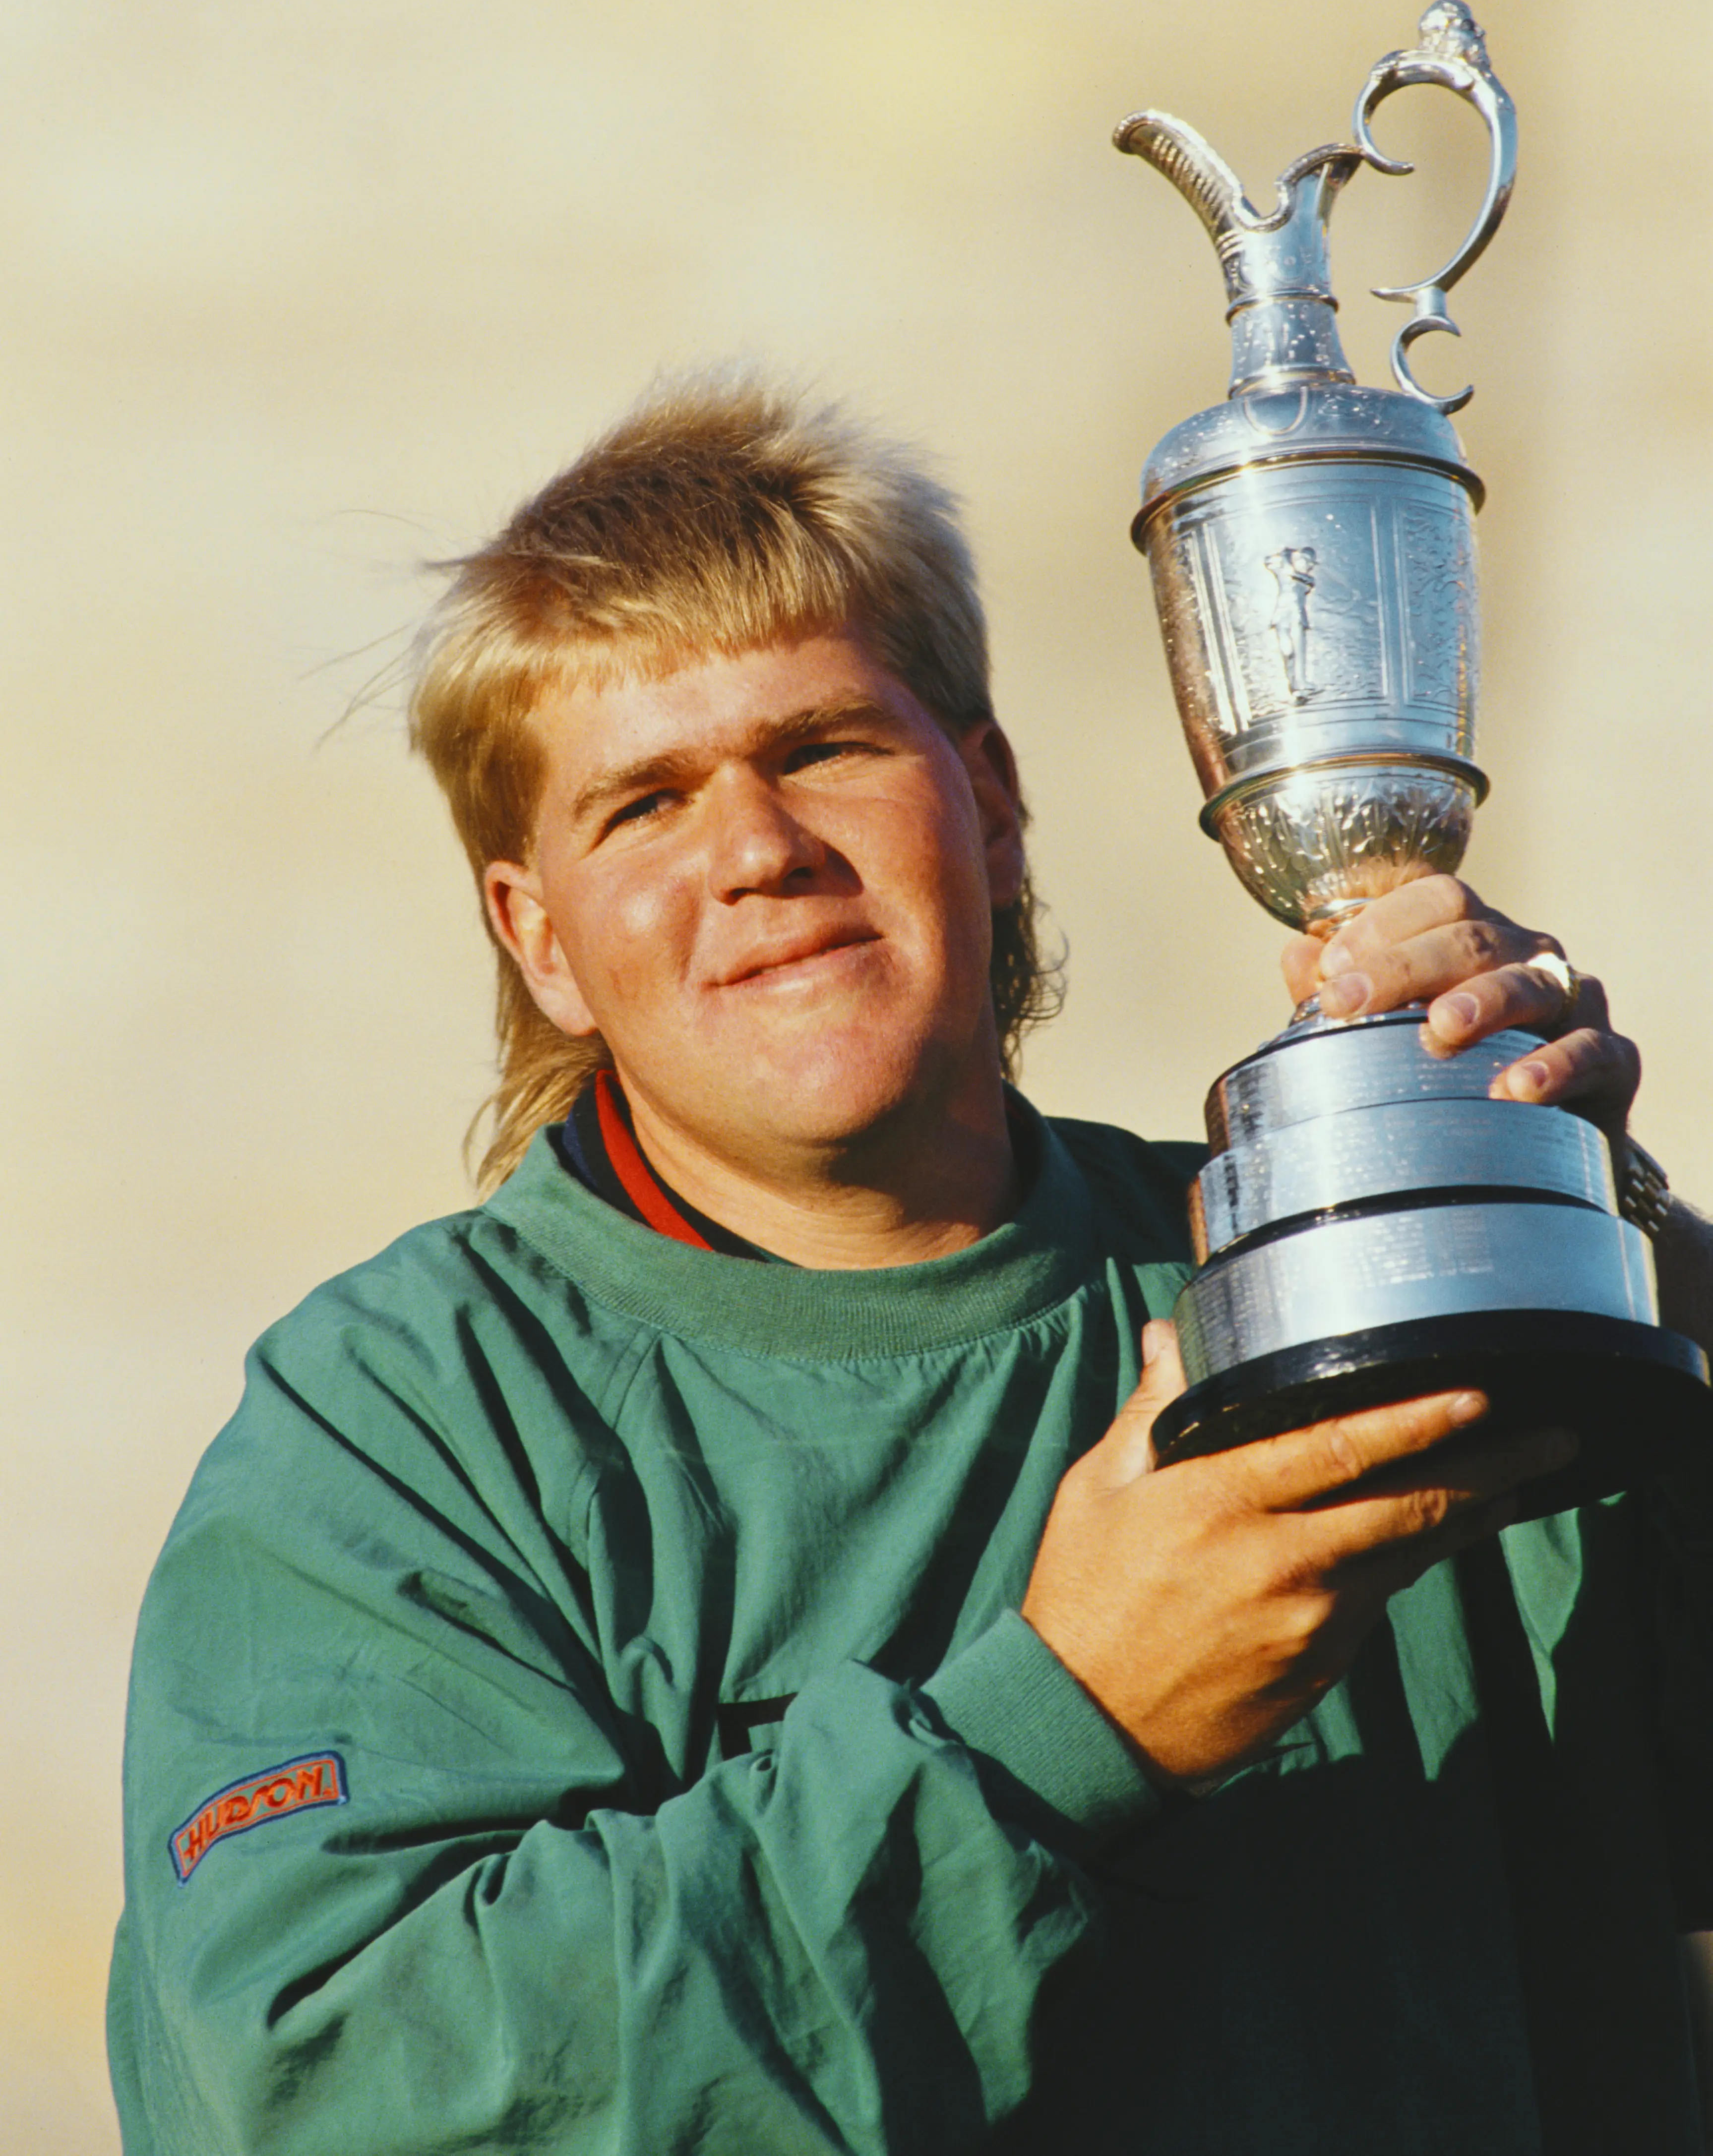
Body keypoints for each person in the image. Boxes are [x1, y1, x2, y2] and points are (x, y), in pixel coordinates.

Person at [110, 379, 1713, 2155]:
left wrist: (1591, 1245)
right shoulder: (404, 1428)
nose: (757, 850)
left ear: (994, 801)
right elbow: (346, 2093)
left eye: (822, 748)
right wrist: (1063, 1722)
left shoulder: (1333, 1274)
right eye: (641, 804)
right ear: (537, 936)